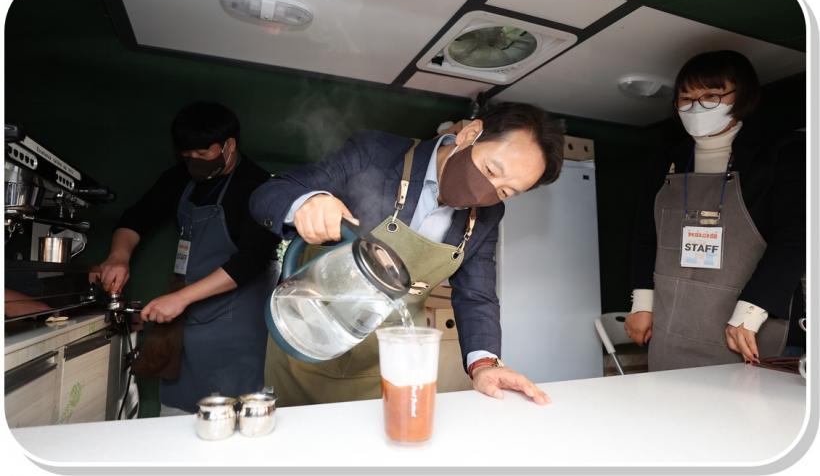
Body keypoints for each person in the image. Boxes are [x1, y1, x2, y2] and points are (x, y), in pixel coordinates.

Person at [250, 102, 564, 406]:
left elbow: (476, 295)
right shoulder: (376, 154)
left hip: (388, 363)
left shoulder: (486, 217)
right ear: (470, 134)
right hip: (305, 339)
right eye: (491, 170)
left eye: (504, 192)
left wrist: (485, 364)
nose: (487, 191)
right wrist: (306, 203)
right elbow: (269, 194)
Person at [92, 101, 281, 414]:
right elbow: (137, 217)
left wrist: (180, 299)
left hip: (240, 322)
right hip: (188, 317)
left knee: (233, 412)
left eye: (203, 153)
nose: (194, 161)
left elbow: (250, 261)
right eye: (187, 155)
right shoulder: (180, 179)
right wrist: (118, 256)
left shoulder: (258, 187)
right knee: (178, 412)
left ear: (229, 145)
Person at [625, 50, 805, 370]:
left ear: (743, 96)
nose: (696, 107)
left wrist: (752, 311)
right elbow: (645, 236)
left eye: (711, 96)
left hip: (747, 324)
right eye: (686, 99)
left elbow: (797, 237)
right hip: (672, 322)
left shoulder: (781, 153)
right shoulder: (666, 158)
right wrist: (642, 304)